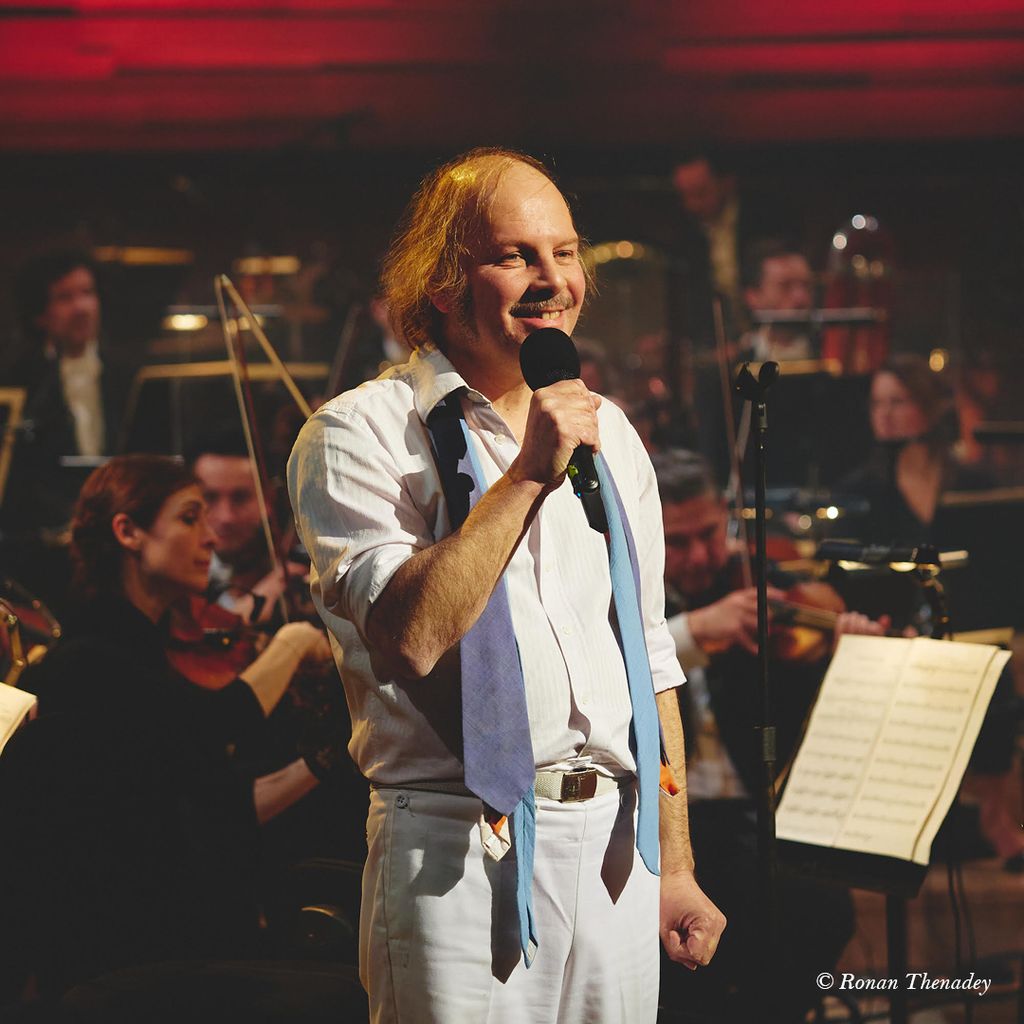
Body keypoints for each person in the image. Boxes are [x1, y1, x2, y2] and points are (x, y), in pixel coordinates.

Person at [288, 147, 725, 1023]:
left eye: (564, 253)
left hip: (615, 849)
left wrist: (674, 865)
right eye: (516, 256)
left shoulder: (611, 433)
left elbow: (647, 658)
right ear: (443, 284)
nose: (552, 280)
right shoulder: (357, 434)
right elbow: (410, 638)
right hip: (452, 847)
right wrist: (526, 474)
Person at [0, 454, 331, 997]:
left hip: (170, 941)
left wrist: (328, 757)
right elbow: (215, 725)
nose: (211, 538)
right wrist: (292, 644)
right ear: (128, 532)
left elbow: (220, 803)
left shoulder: (144, 654)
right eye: (189, 517)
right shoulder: (87, 663)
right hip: (122, 964)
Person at [652, 448, 885, 1022]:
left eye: (709, 534)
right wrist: (694, 630)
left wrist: (843, 649)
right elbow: (611, 665)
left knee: (821, 910)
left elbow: (799, 691)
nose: (700, 556)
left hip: (751, 811)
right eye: (677, 542)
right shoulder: (625, 594)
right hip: (666, 822)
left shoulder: (761, 583)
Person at [739, 238, 815, 363]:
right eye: (785, 286)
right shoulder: (737, 360)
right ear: (753, 296)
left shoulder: (834, 356)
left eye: (806, 285)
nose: (800, 297)